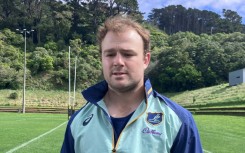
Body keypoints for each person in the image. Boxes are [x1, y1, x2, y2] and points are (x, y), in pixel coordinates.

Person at [61, 15, 203, 153]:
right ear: (101, 59)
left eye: (127, 54)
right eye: (110, 54)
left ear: (145, 60)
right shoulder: (78, 122)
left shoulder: (178, 120)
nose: (118, 62)